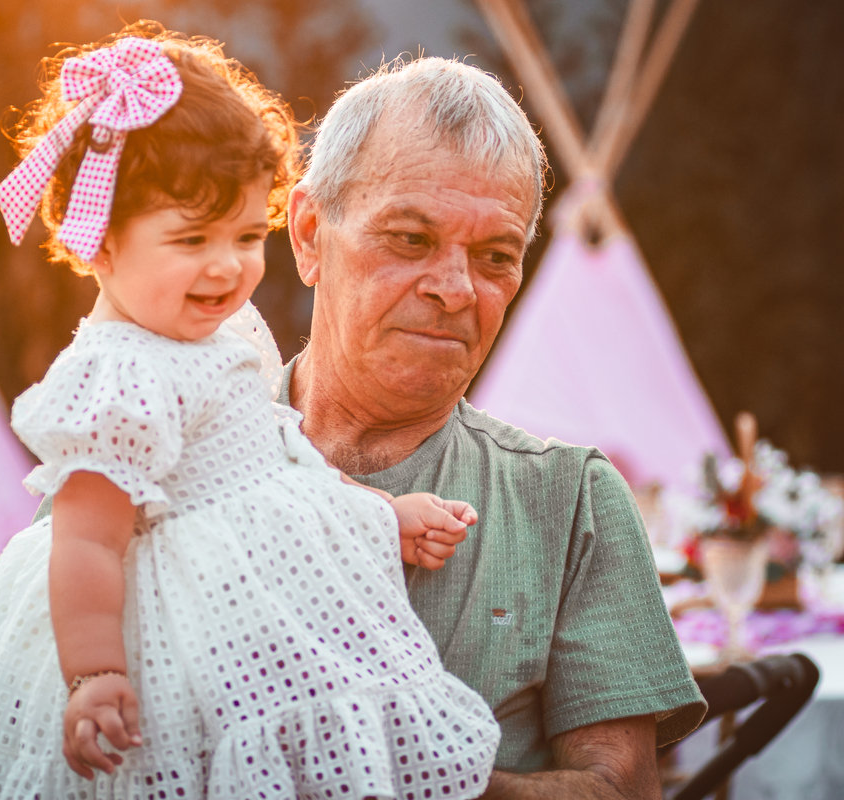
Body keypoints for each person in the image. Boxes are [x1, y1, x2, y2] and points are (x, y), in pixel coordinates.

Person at [0, 27, 502, 800]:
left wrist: (385, 513)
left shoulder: (225, 332)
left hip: (259, 606)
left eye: (247, 234)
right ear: (101, 243)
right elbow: (83, 539)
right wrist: (97, 673)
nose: (227, 265)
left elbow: (278, 459)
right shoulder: (118, 374)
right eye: (191, 239)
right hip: (167, 640)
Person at [279, 58, 707, 799]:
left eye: (495, 257)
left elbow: (622, 792)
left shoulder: (569, 501)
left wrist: (406, 778)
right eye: (411, 239)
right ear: (311, 234)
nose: (455, 289)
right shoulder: (159, 456)